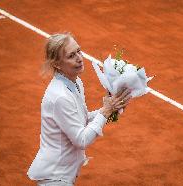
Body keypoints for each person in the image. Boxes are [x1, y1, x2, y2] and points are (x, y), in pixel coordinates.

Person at [27, 32, 132, 186]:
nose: (79, 58)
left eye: (78, 51)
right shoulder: (60, 96)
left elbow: (80, 120)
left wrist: (111, 107)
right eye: (71, 56)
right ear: (56, 64)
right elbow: (81, 139)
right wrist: (105, 111)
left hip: (63, 174)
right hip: (56, 178)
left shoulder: (75, 83)